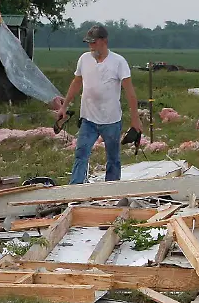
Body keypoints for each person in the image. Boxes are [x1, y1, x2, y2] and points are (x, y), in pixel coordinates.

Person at [54, 24, 143, 184]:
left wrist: (135, 119)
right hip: (88, 118)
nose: (91, 46)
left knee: (113, 158)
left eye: (93, 42)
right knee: (81, 153)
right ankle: (76, 188)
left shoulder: (118, 62)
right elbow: (76, 82)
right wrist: (64, 106)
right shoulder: (84, 59)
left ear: (104, 41)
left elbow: (130, 92)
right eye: (89, 43)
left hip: (111, 120)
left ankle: (111, 189)